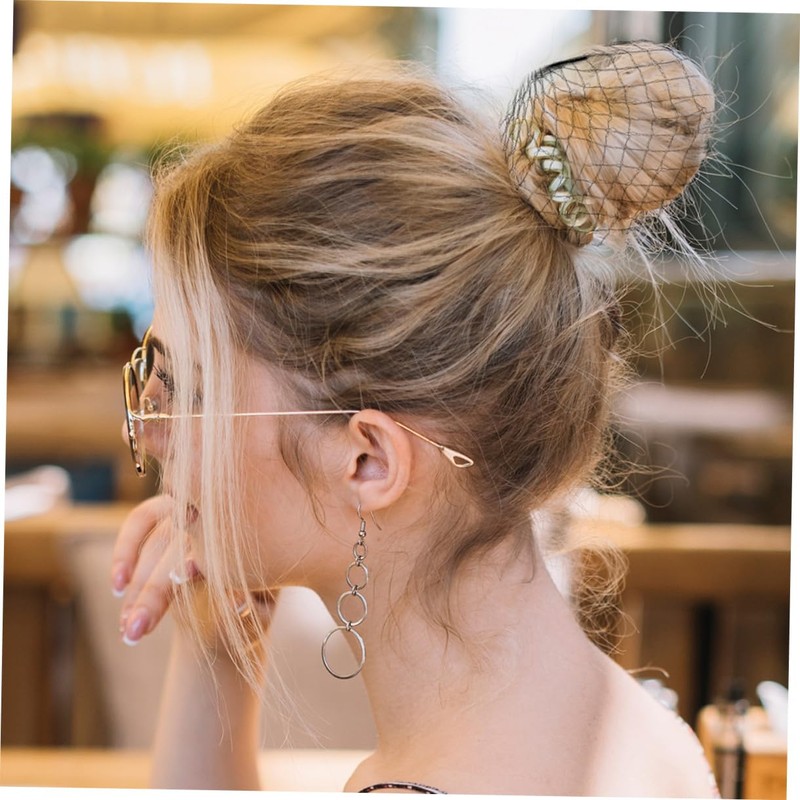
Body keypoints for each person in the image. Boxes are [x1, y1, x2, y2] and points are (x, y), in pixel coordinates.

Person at [112, 40, 721, 796]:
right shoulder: (643, 726)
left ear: (368, 461)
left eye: (187, 389)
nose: (153, 431)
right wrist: (216, 648)